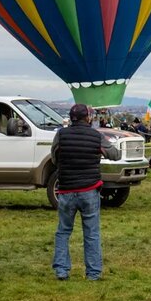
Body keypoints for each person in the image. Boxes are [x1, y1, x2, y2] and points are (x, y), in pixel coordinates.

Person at [51, 104, 120, 280]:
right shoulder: (96, 136)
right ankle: (93, 273)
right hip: (89, 189)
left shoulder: (61, 134)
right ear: (88, 118)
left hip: (66, 190)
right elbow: (115, 155)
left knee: (63, 231)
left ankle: (61, 270)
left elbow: (54, 157)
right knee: (91, 233)